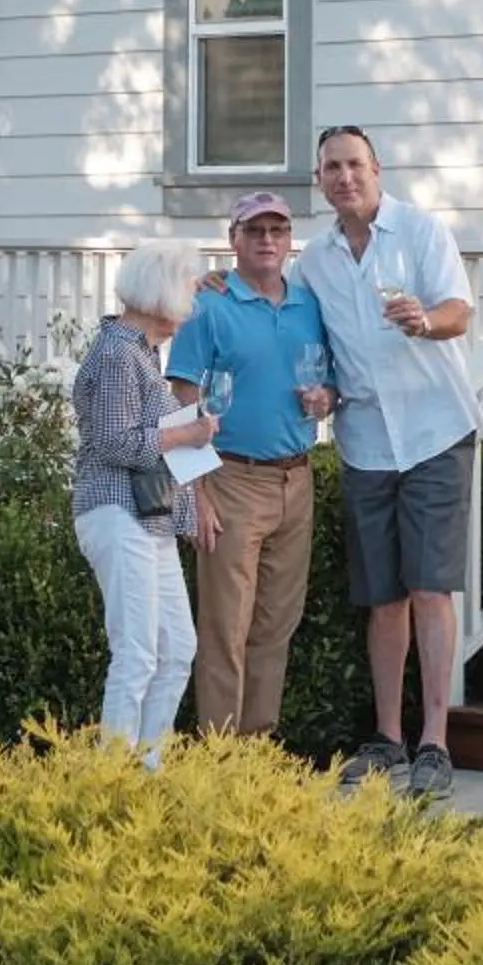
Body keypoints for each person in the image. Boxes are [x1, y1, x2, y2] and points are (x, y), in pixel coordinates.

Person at [299, 126, 479, 802]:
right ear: (320, 180)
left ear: (377, 168)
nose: (345, 177)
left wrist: (424, 321)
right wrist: (322, 390)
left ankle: (433, 738)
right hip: (366, 439)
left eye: (355, 164)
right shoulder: (313, 261)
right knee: (382, 597)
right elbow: (313, 345)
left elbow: (460, 310)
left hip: (435, 429)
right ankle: (386, 739)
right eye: (332, 168)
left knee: (431, 588)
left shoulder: (422, 231)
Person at [166, 191, 336, 738]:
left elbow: (328, 382)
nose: (267, 241)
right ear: (233, 239)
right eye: (255, 231)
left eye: (277, 231)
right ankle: (218, 759)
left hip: (297, 476)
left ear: (290, 241)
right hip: (231, 477)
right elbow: (181, 396)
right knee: (225, 628)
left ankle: (257, 753)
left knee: (276, 626)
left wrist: (326, 400)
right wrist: (196, 490)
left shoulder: (310, 305)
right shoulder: (206, 305)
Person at [70, 239, 222, 763]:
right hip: (117, 512)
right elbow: (114, 443)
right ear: (162, 292)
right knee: (136, 651)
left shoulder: (138, 351)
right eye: (185, 288)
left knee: (177, 648)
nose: (190, 303)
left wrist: (184, 432)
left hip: (147, 518)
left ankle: (147, 770)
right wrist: (187, 435)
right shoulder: (117, 353)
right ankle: (113, 779)